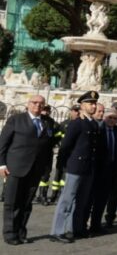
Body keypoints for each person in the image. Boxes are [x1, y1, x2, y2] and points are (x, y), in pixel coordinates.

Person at [0, 95, 56, 245]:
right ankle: (10, 234)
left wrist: (46, 168)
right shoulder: (16, 120)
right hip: (16, 168)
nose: (37, 106)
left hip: (36, 170)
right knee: (12, 202)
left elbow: (48, 147)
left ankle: (21, 232)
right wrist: (2, 164)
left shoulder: (48, 122)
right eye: (34, 102)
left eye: (41, 103)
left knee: (26, 203)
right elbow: (3, 143)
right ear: (28, 104)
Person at [50, 91, 100, 243]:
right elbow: (65, 146)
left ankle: (74, 228)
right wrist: (63, 165)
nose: (93, 106)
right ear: (82, 105)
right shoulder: (77, 123)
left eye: (94, 103)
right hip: (76, 166)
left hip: (88, 167)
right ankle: (58, 230)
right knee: (67, 199)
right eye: (90, 103)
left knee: (81, 201)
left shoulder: (93, 123)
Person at [88, 108, 117, 234]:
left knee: (103, 199)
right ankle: (83, 224)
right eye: (110, 118)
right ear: (104, 118)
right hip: (98, 169)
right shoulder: (98, 130)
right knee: (91, 198)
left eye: (115, 118)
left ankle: (96, 224)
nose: (112, 120)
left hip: (112, 170)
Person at [33, 104, 56, 207]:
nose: (45, 112)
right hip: (34, 153)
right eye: (44, 110)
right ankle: (30, 195)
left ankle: (42, 195)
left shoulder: (51, 122)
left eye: (47, 110)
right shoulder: (34, 121)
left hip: (47, 153)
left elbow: (55, 136)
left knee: (46, 176)